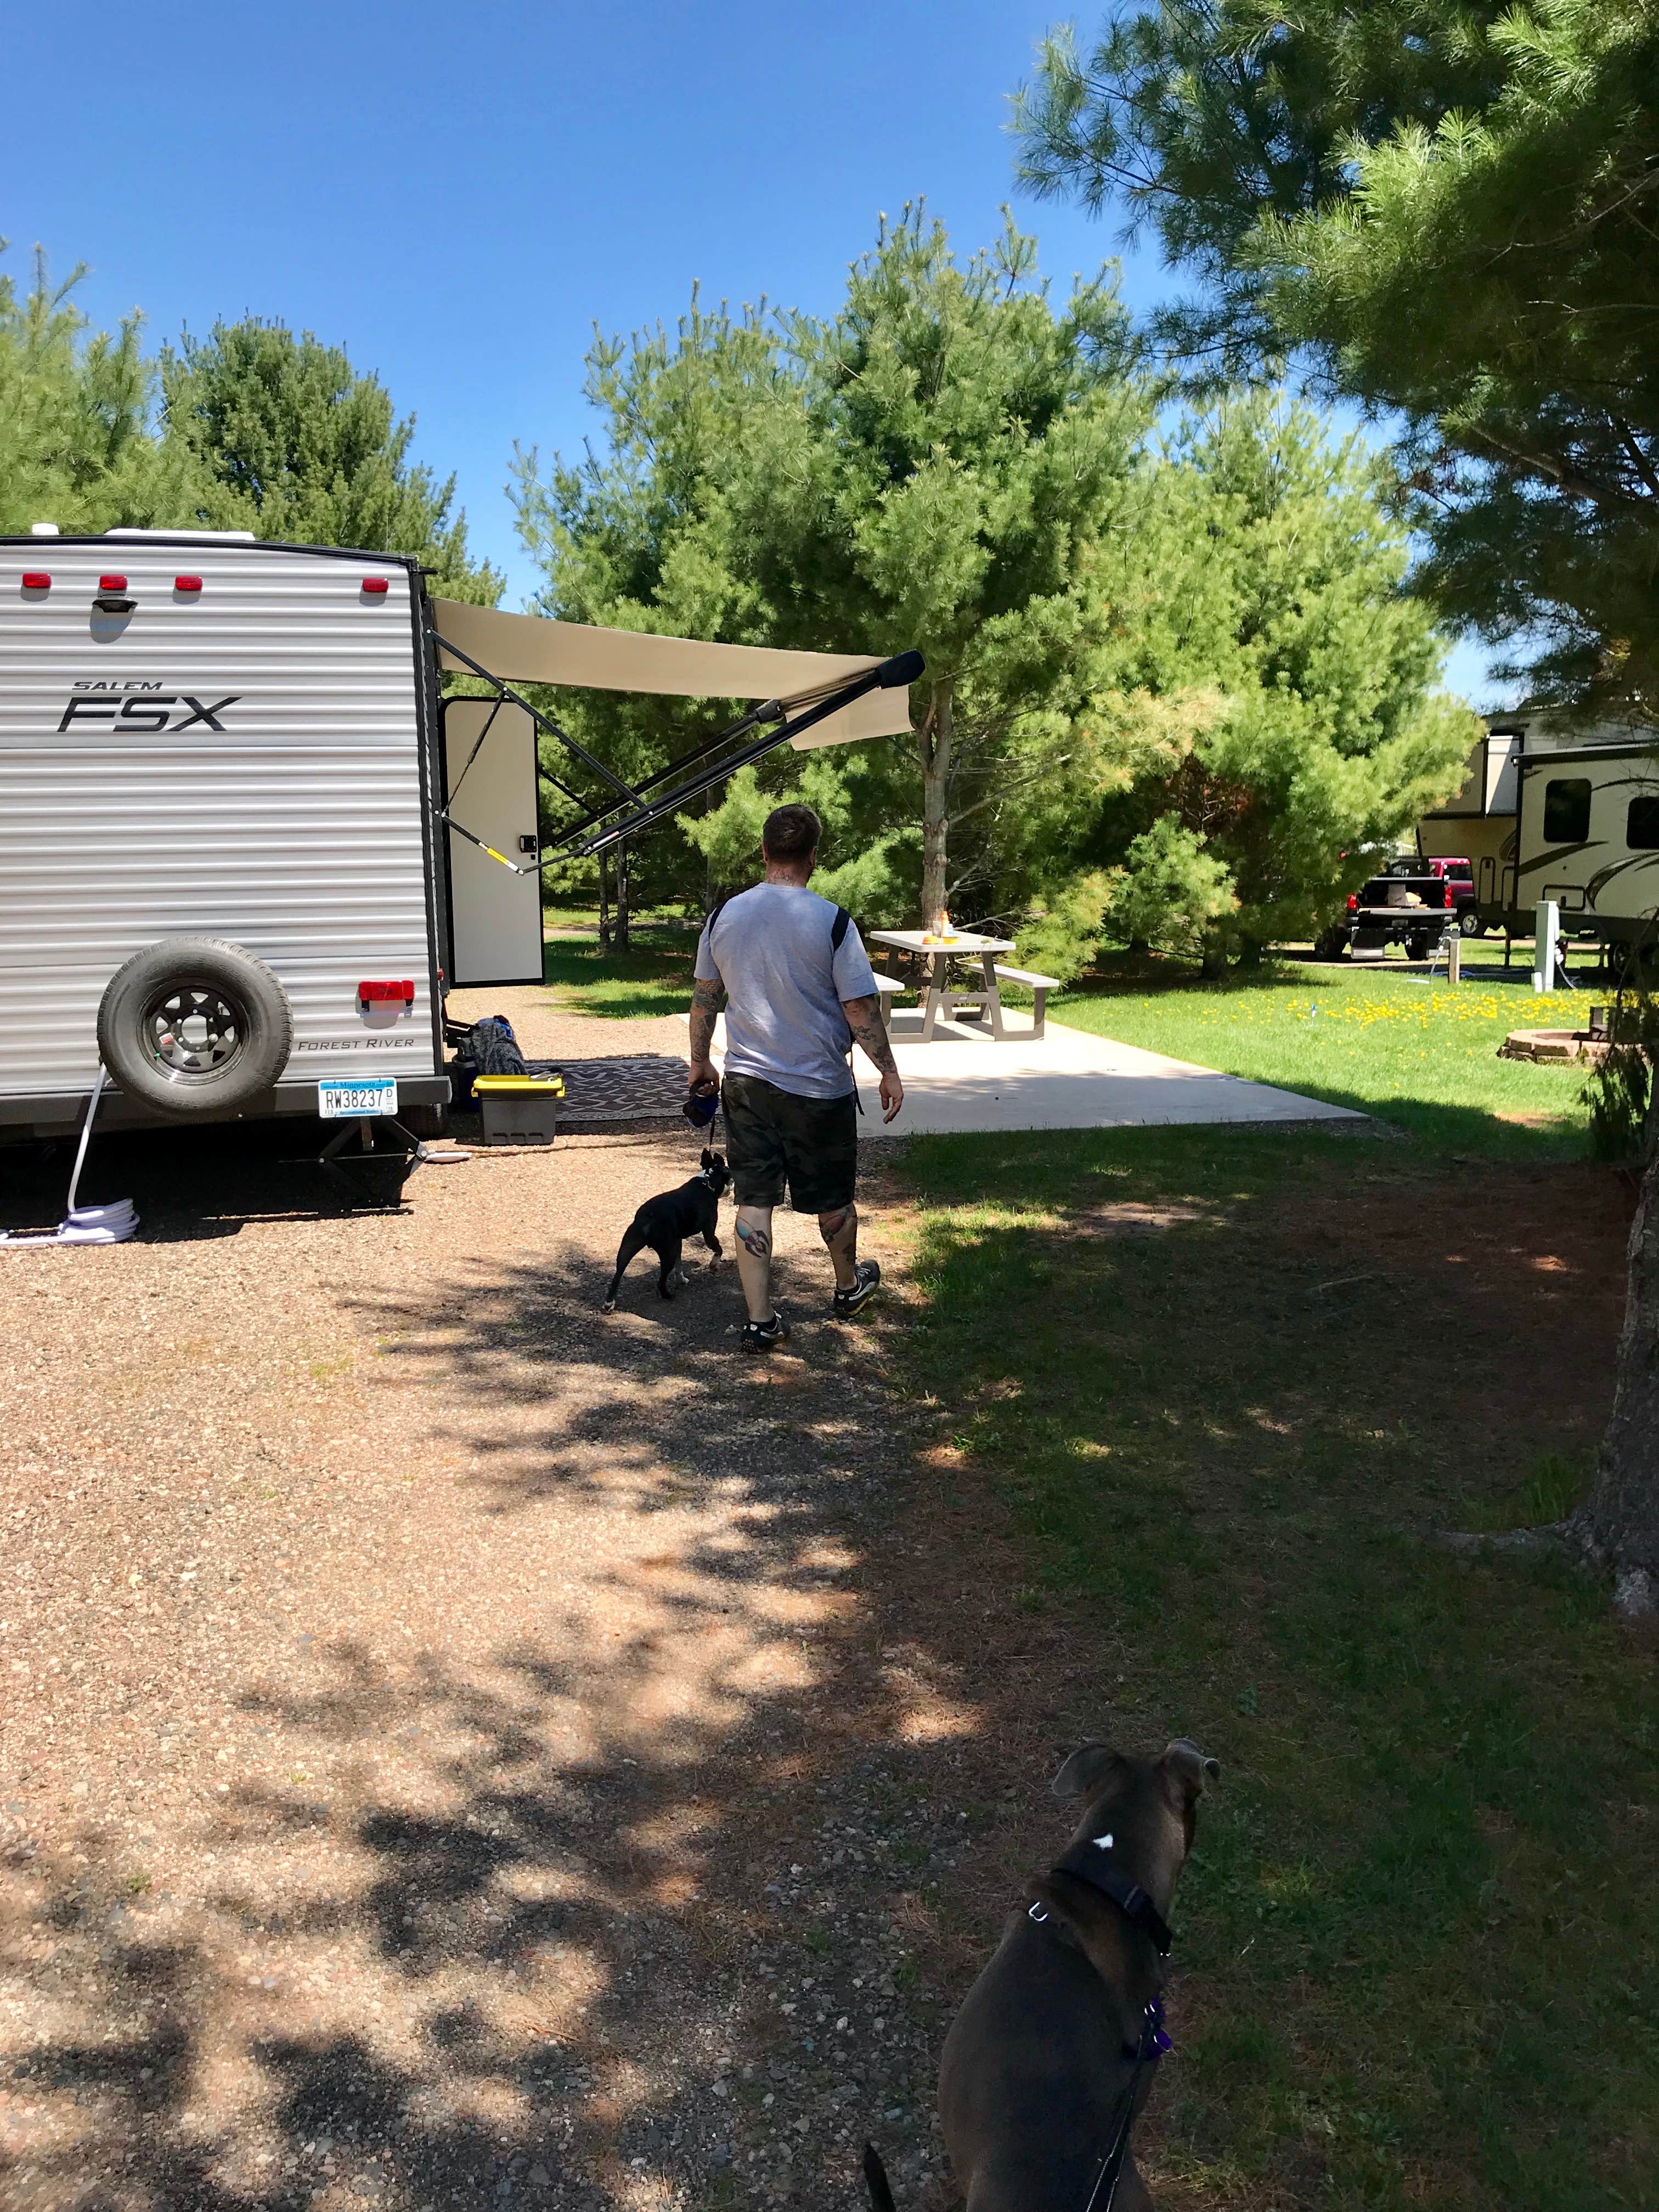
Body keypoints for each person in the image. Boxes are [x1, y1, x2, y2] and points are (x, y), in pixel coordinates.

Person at [687, 803, 904, 1351]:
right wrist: (888, 1070)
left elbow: (705, 998)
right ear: (813, 857)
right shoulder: (831, 921)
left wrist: (699, 1062)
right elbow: (859, 1008)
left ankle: (760, 1320)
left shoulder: (724, 917)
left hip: (746, 1084)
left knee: (753, 1200)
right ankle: (849, 1288)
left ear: (764, 852)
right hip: (817, 1089)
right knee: (832, 1198)